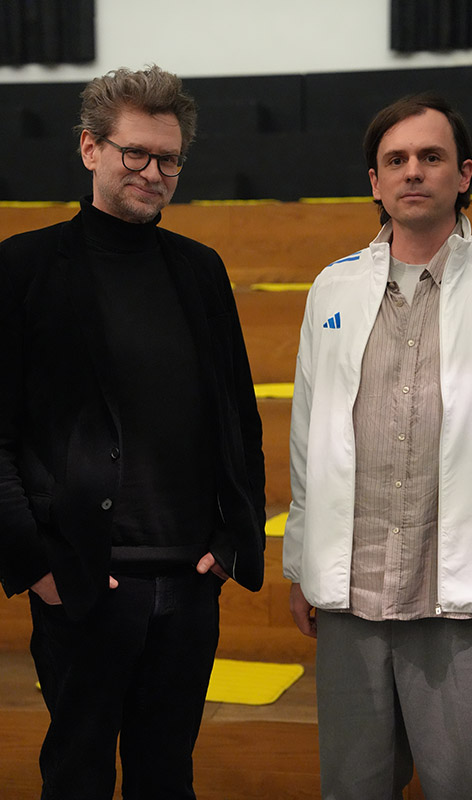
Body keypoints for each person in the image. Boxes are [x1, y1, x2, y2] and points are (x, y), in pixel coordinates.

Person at [0, 65, 265, 800]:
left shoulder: (201, 270)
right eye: (136, 153)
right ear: (90, 148)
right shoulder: (22, 266)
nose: (153, 173)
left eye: (169, 159)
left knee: (166, 779)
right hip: (83, 582)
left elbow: (238, 421)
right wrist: (37, 566)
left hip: (189, 585)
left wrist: (228, 542)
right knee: (77, 779)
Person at [283, 91, 472, 800]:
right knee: (353, 788)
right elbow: (307, 438)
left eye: (430, 156)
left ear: (464, 174)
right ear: (374, 181)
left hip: (470, 601)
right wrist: (301, 562)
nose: (412, 171)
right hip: (351, 598)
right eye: (394, 160)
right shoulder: (332, 287)